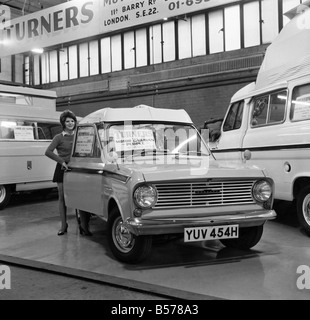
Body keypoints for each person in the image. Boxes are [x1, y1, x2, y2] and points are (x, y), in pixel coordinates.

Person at [45, 110, 92, 236]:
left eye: (72, 121)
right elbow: (48, 152)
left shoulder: (80, 135)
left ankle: (84, 225)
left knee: (81, 197)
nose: (70, 123)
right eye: (67, 121)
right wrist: (61, 161)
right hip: (62, 168)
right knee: (62, 198)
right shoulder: (59, 137)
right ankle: (63, 225)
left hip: (78, 168)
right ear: (63, 123)